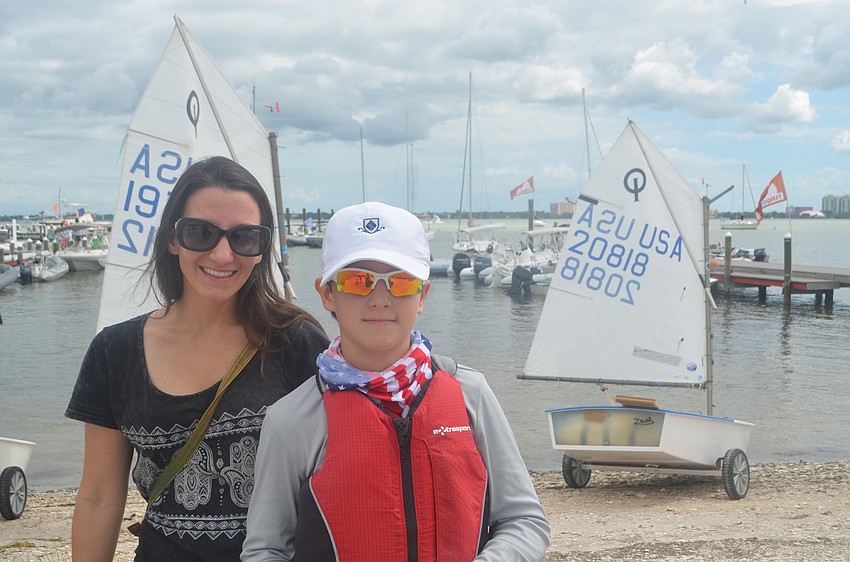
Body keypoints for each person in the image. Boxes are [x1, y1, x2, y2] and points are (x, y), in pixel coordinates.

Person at [242, 202, 550, 561]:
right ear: (327, 294)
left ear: (422, 296)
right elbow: (266, 550)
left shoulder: (471, 393)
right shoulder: (291, 420)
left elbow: (524, 519)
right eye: (357, 280)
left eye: (401, 282)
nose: (380, 299)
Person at [65, 156, 329, 562]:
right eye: (201, 232)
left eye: (245, 237)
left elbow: (338, 477)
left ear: (262, 248)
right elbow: (99, 497)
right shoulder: (113, 352)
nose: (223, 255)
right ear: (173, 239)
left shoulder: (295, 343)